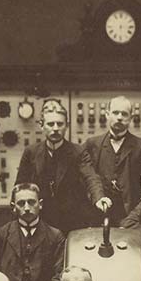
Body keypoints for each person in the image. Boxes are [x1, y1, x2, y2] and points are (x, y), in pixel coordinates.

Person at [15, 100, 109, 234]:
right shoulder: (31, 152)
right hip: (41, 219)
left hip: (72, 221)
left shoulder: (78, 152)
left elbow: (91, 177)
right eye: (50, 124)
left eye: (60, 124)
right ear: (42, 126)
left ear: (67, 126)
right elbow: (20, 185)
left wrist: (99, 198)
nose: (55, 128)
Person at [82, 95, 141, 225]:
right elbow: (84, 176)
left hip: (131, 216)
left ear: (131, 118)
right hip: (97, 216)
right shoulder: (92, 144)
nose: (119, 117)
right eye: (115, 113)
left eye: (124, 114)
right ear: (107, 115)